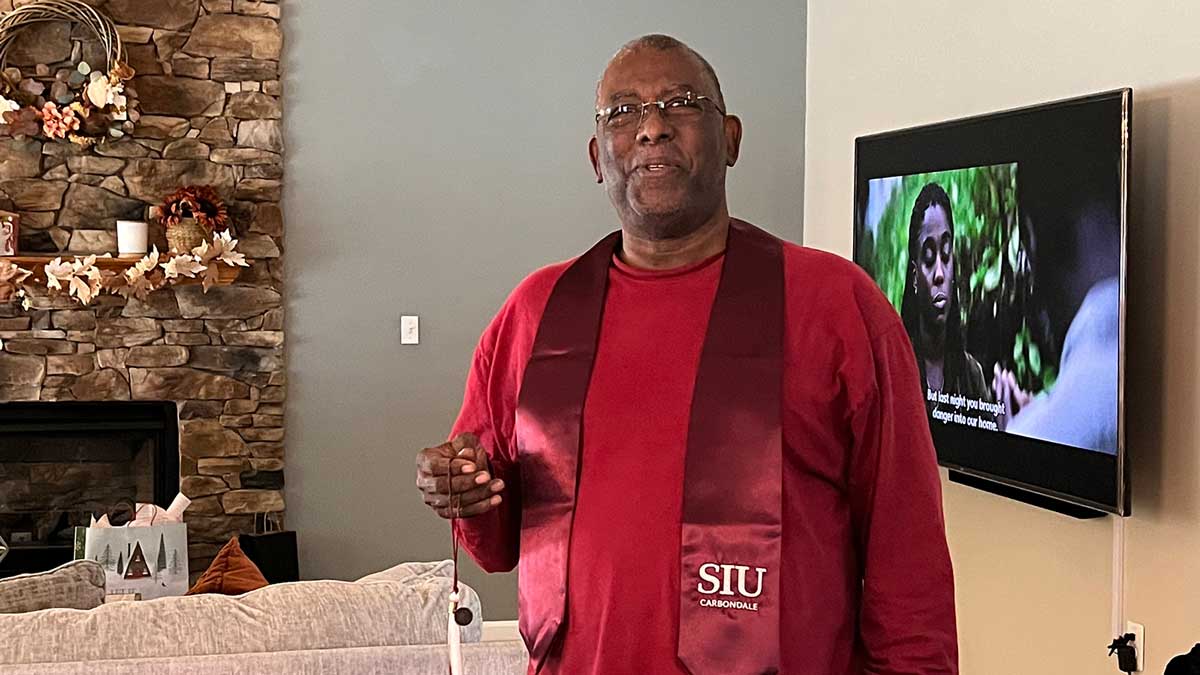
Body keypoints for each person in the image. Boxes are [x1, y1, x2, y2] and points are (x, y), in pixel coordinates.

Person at [415, 34, 957, 674]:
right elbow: (500, 540)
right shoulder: (534, 312)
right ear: (598, 156)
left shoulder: (835, 306)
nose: (651, 129)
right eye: (623, 112)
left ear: (730, 139)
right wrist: (463, 490)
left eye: (680, 103)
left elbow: (908, 558)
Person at [900, 182, 993, 410]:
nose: (940, 274)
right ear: (914, 276)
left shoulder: (972, 375)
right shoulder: (895, 369)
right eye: (929, 257)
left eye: (945, 254)